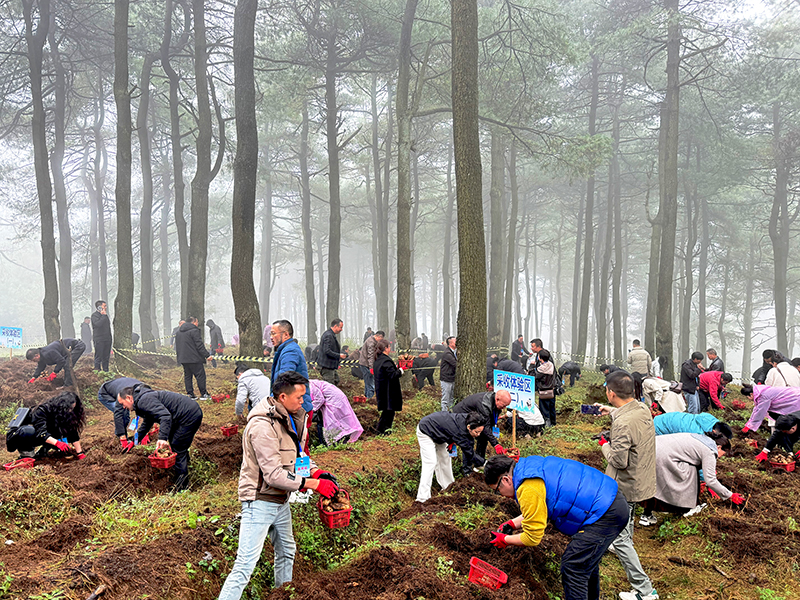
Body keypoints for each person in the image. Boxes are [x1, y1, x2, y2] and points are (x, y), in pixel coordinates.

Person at [216, 372, 339, 599]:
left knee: (287, 552)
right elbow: (273, 475)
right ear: (283, 397)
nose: (303, 402)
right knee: (245, 565)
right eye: (299, 397)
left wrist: (316, 472)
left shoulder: (290, 418)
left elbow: (297, 456)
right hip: (259, 501)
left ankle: (282, 595)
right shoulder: (262, 426)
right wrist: (313, 484)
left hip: (281, 500)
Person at [485, 454, 629, 600]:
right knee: (584, 562)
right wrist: (511, 524)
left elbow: (532, 537)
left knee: (573, 566)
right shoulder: (528, 468)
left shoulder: (527, 487)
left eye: (497, 490)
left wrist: (505, 540)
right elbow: (539, 508)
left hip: (605, 512)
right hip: (609, 499)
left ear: (506, 480)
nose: (500, 495)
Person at [593, 370, 658, 600]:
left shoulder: (622, 424)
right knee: (626, 523)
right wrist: (610, 411)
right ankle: (624, 540)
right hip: (641, 480)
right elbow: (627, 416)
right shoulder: (642, 408)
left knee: (620, 538)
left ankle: (645, 591)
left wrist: (604, 445)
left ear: (611, 393)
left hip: (624, 485)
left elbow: (619, 461)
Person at [640, 432, 742, 522]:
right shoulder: (710, 450)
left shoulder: (700, 438)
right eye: (722, 455)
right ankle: (688, 509)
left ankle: (646, 515)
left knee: (655, 484)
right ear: (719, 447)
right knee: (690, 472)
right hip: (663, 457)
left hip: (651, 448)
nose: (719, 458)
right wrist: (729, 495)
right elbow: (711, 480)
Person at [116, 385, 203, 490]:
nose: (123, 407)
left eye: (122, 403)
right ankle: (187, 467)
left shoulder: (144, 401)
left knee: (177, 447)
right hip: (181, 415)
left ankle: (182, 487)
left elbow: (165, 416)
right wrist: (135, 440)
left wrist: (162, 438)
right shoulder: (142, 400)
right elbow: (148, 421)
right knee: (176, 443)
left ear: (129, 398)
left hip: (188, 415)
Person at [415, 411, 486, 502]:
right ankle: (422, 498)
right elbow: (469, 453)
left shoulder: (470, 420)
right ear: (469, 427)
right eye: (476, 432)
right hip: (426, 429)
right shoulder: (460, 432)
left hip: (440, 433)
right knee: (430, 462)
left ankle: (448, 487)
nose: (478, 435)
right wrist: (484, 463)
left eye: (480, 432)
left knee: (445, 459)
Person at [8, 391, 86, 460]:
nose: (70, 411)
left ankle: (43, 451)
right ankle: (26, 454)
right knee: (29, 431)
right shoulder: (42, 410)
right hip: (20, 435)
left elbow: (72, 431)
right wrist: (57, 443)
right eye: (69, 408)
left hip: (41, 434)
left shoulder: (62, 414)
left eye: (72, 409)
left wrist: (79, 453)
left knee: (58, 428)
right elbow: (41, 432)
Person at [452, 390, 510, 459]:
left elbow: (488, 423)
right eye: (504, 405)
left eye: (506, 406)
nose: (504, 408)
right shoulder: (484, 405)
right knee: (468, 441)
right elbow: (486, 426)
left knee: (483, 438)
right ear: (497, 399)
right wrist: (496, 444)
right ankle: (467, 465)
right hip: (460, 417)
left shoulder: (494, 401)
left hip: (474, 417)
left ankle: (480, 461)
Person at [270, 320, 312, 413]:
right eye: (270, 334)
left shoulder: (290, 351)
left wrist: (273, 401)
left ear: (286, 334)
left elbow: (284, 380)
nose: (271, 337)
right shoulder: (286, 349)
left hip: (297, 409)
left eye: (273, 333)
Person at [308, 379, 363, 445]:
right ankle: (337, 441)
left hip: (334, 401)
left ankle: (333, 443)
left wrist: (309, 410)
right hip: (334, 399)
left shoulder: (310, 386)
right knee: (336, 422)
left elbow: (319, 399)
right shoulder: (308, 384)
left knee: (331, 422)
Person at [175, 317, 212, 400]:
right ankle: (203, 394)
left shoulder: (178, 332)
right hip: (194, 358)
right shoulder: (194, 331)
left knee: (188, 376)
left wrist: (179, 358)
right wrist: (207, 355)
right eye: (197, 322)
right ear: (194, 322)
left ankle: (190, 394)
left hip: (183, 358)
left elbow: (177, 346)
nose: (197, 324)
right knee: (200, 376)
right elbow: (199, 345)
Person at [374, 339, 404, 434]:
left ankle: (382, 430)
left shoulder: (379, 360)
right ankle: (383, 431)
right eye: (389, 346)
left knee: (387, 412)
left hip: (382, 389)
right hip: (388, 391)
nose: (390, 348)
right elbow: (392, 375)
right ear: (386, 348)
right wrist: (400, 370)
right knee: (388, 412)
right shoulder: (386, 360)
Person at [653, 412, 733, 439]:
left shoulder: (709, 419)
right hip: (658, 428)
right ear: (714, 431)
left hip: (662, 418)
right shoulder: (697, 433)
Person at [317, 319, 347, 386]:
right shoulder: (328, 335)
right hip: (326, 366)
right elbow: (327, 351)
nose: (341, 329)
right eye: (340, 327)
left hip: (330, 366)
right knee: (329, 386)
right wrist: (339, 356)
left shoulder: (331, 335)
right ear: (335, 326)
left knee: (336, 380)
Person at [534, 349, 557, 428]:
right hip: (551, 391)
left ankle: (547, 425)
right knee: (551, 407)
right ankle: (553, 423)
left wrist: (532, 366)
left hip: (543, 392)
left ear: (540, 358)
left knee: (544, 409)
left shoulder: (541, 369)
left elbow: (534, 377)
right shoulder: (551, 365)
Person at [358, 330, 384, 399]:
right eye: (381, 339)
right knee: (370, 382)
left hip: (365, 364)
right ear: (378, 337)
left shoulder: (372, 340)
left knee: (368, 382)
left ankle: (367, 396)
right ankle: (370, 398)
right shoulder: (371, 342)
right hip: (366, 364)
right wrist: (371, 367)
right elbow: (371, 355)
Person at [91, 299, 112, 371]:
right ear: (99, 307)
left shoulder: (105, 315)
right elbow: (97, 324)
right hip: (99, 339)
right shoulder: (94, 316)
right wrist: (103, 316)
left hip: (107, 339)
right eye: (104, 306)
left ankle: (106, 371)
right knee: (98, 356)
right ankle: (97, 371)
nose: (106, 307)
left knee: (106, 357)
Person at [440, 336, 457, 411]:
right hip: (446, 379)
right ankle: (444, 413)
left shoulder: (454, 352)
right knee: (445, 399)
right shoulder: (447, 353)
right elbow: (455, 364)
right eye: (455, 341)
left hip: (452, 378)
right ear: (450, 343)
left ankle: (451, 413)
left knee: (451, 398)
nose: (457, 343)